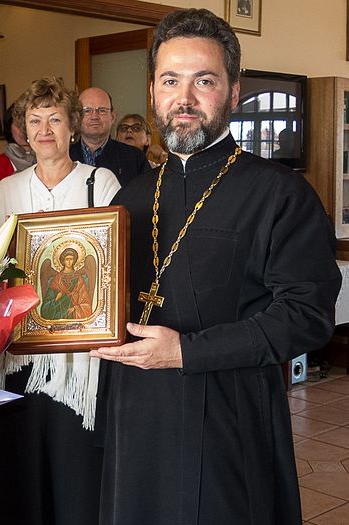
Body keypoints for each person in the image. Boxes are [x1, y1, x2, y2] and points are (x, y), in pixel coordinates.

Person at [92, 9, 341, 525]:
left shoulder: (279, 193)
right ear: (154, 91)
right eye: (170, 81)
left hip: (228, 413)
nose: (184, 99)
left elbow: (307, 314)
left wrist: (186, 352)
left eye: (203, 81)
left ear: (233, 92)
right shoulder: (133, 197)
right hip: (135, 410)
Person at [0, 76, 120, 525]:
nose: (44, 130)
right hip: (20, 350)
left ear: (72, 127)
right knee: (21, 466)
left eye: (55, 119)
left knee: (73, 465)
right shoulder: (7, 192)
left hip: (80, 358)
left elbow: (115, 263)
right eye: (34, 120)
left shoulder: (101, 182)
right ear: (23, 128)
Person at [69, 86, 148, 188]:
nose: (94, 117)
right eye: (87, 110)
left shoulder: (135, 158)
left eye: (101, 110)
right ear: (77, 117)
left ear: (113, 117)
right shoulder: (64, 156)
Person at [0, 103, 36, 189]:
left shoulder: (47, 156)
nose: (23, 130)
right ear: (9, 128)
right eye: (18, 125)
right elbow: (0, 197)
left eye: (27, 124)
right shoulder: (0, 162)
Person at [39, 247, 92, 320]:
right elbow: (46, 307)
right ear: (63, 261)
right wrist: (56, 299)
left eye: (71, 259)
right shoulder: (57, 278)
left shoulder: (78, 278)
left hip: (73, 313)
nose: (69, 262)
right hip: (59, 311)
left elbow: (85, 300)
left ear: (74, 260)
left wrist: (75, 308)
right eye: (67, 259)